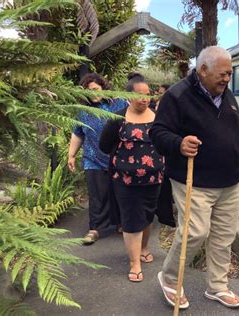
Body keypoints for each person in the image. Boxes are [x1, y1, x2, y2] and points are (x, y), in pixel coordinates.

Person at [149, 46, 239, 309]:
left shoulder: (226, 94)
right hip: (195, 180)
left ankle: (217, 286)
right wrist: (179, 143)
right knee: (194, 232)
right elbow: (157, 132)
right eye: (222, 74)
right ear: (203, 70)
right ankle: (169, 280)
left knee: (224, 236)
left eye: (230, 74)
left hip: (230, 181)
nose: (227, 79)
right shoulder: (177, 96)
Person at [99, 80, 164, 282]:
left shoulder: (159, 118)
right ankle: (134, 262)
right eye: (139, 95)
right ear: (128, 96)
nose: (145, 98)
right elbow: (104, 144)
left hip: (154, 179)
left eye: (147, 94)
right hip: (125, 181)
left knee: (147, 215)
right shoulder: (117, 118)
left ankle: (144, 247)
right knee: (131, 219)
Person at [67, 73, 127, 245]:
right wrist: (71, 155)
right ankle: (95, 229)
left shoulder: (120, 103)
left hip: (118, 156)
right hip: (92, 158)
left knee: (120, 192)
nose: (92, 93)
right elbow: (78, 133)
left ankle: (122, 223)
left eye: (95, 89)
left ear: (103, 87)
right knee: (96, 195)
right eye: (88, 91)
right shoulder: (83, 110)